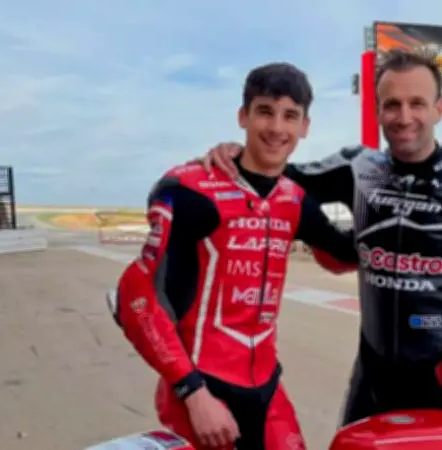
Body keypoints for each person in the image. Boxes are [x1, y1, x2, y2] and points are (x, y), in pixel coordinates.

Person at [197, 49, 442, 426]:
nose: (404, 117)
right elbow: (281, 177)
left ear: (439, 109)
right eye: (392, 105)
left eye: (417, 103)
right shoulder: (360, 167)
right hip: (372, 382)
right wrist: (237, 155)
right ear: (379, 111)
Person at [113, 62, 358, 449]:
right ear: (243, 116)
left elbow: (342, 256)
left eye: (289, 116)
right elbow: (135, 296)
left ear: (305, 127)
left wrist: (379, 199)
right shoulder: (189, 188)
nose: (276, 128)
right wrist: (192, 392)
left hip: (267, 387)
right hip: (200, 390)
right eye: (265, 112)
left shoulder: (293, 198)